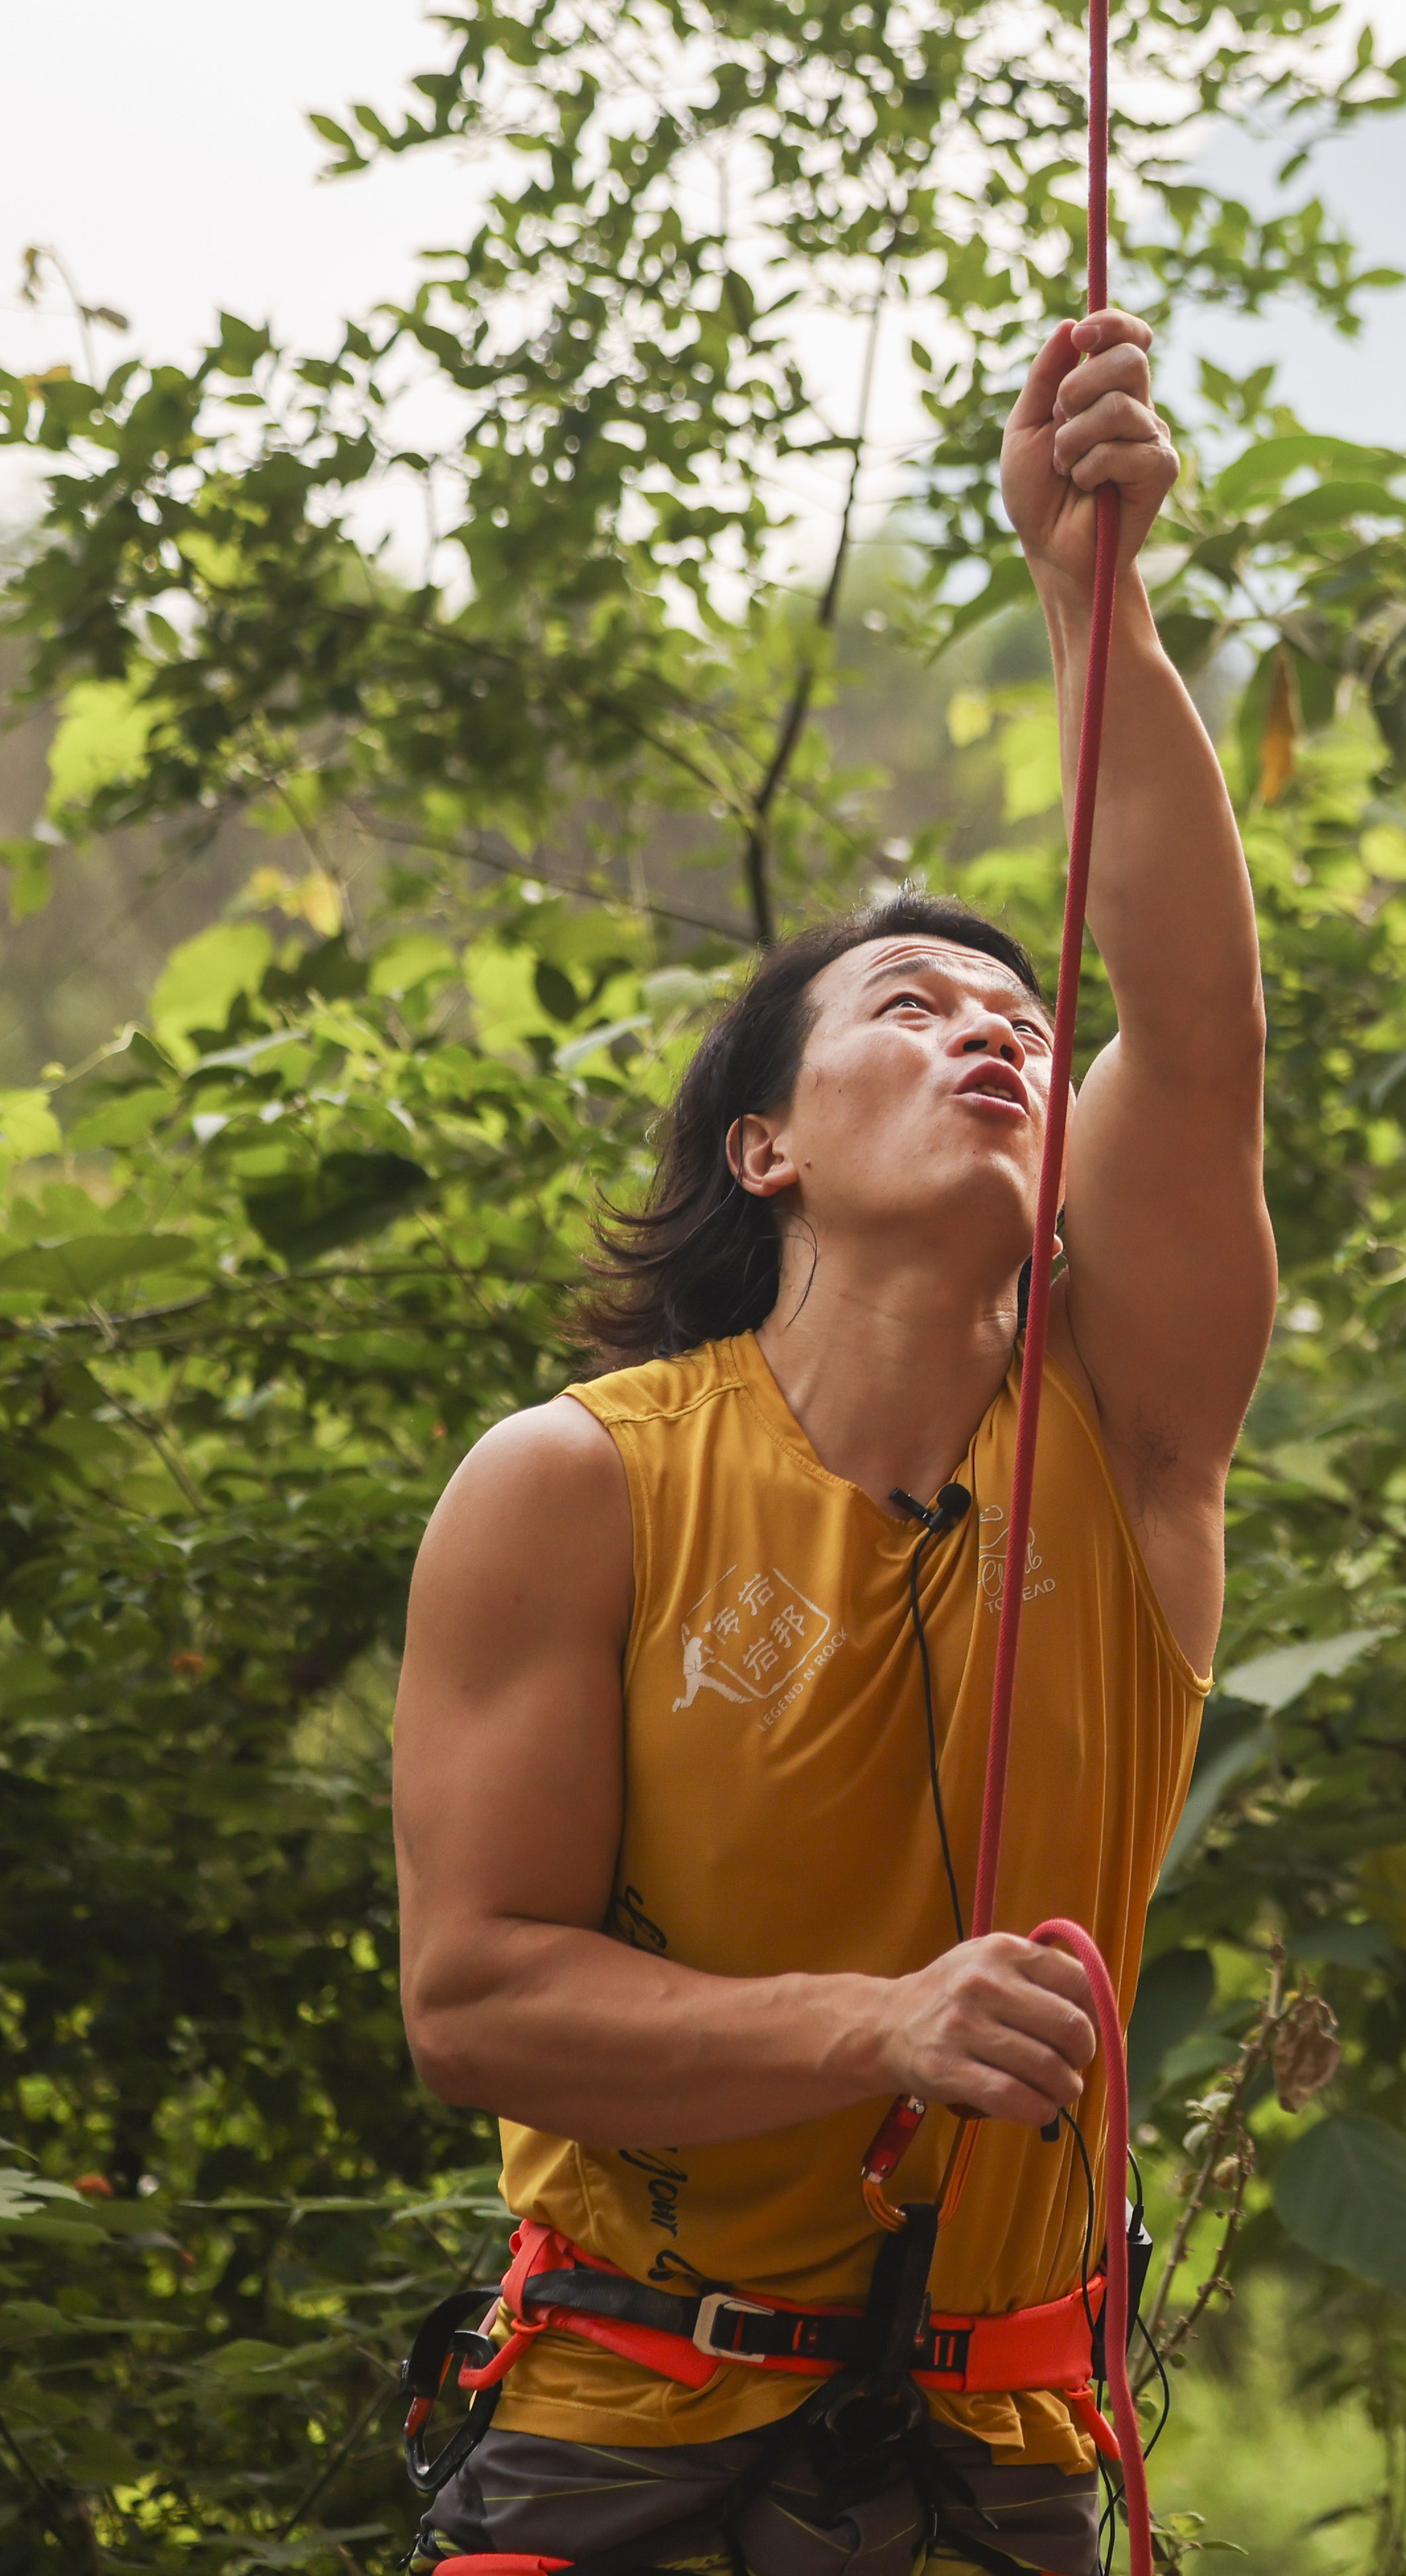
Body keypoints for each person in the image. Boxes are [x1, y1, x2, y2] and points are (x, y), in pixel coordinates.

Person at [387, 312, 1271, 2573]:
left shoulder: (1134, 1438)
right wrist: (879, 2021)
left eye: (1015, 1016)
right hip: (619, 2430)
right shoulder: (575, 1483)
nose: (993, 1031)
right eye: (914, 1003)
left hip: (999, 2462)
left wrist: (1097, 593)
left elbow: (1192, 1015)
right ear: (764, 1140)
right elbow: (475, 1994)